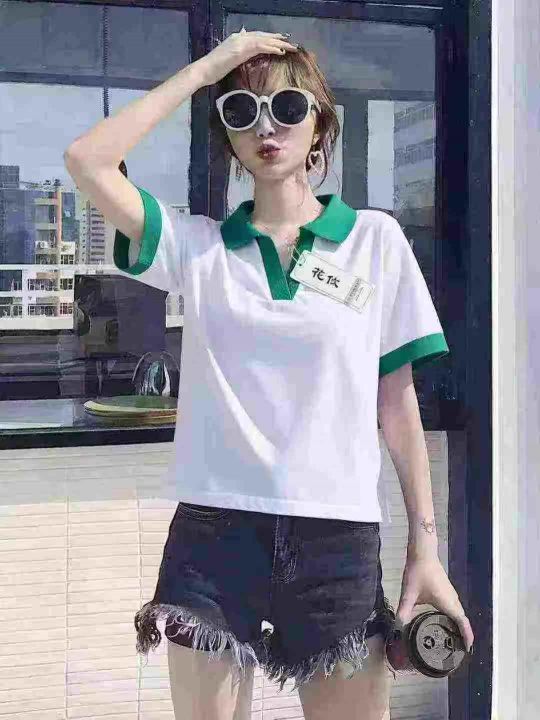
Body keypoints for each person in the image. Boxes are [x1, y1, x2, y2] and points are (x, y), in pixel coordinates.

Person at [64, 28, 474, 720]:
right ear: (229, 139)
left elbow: (397, 406)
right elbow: (87, 159)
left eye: (287, 107)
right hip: (214, 536)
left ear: (319, 128)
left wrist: (425, 550)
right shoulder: (200, 249)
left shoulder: (375, 241)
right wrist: (205, 70)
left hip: (336, 539)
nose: (266, 127)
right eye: (242, 111)